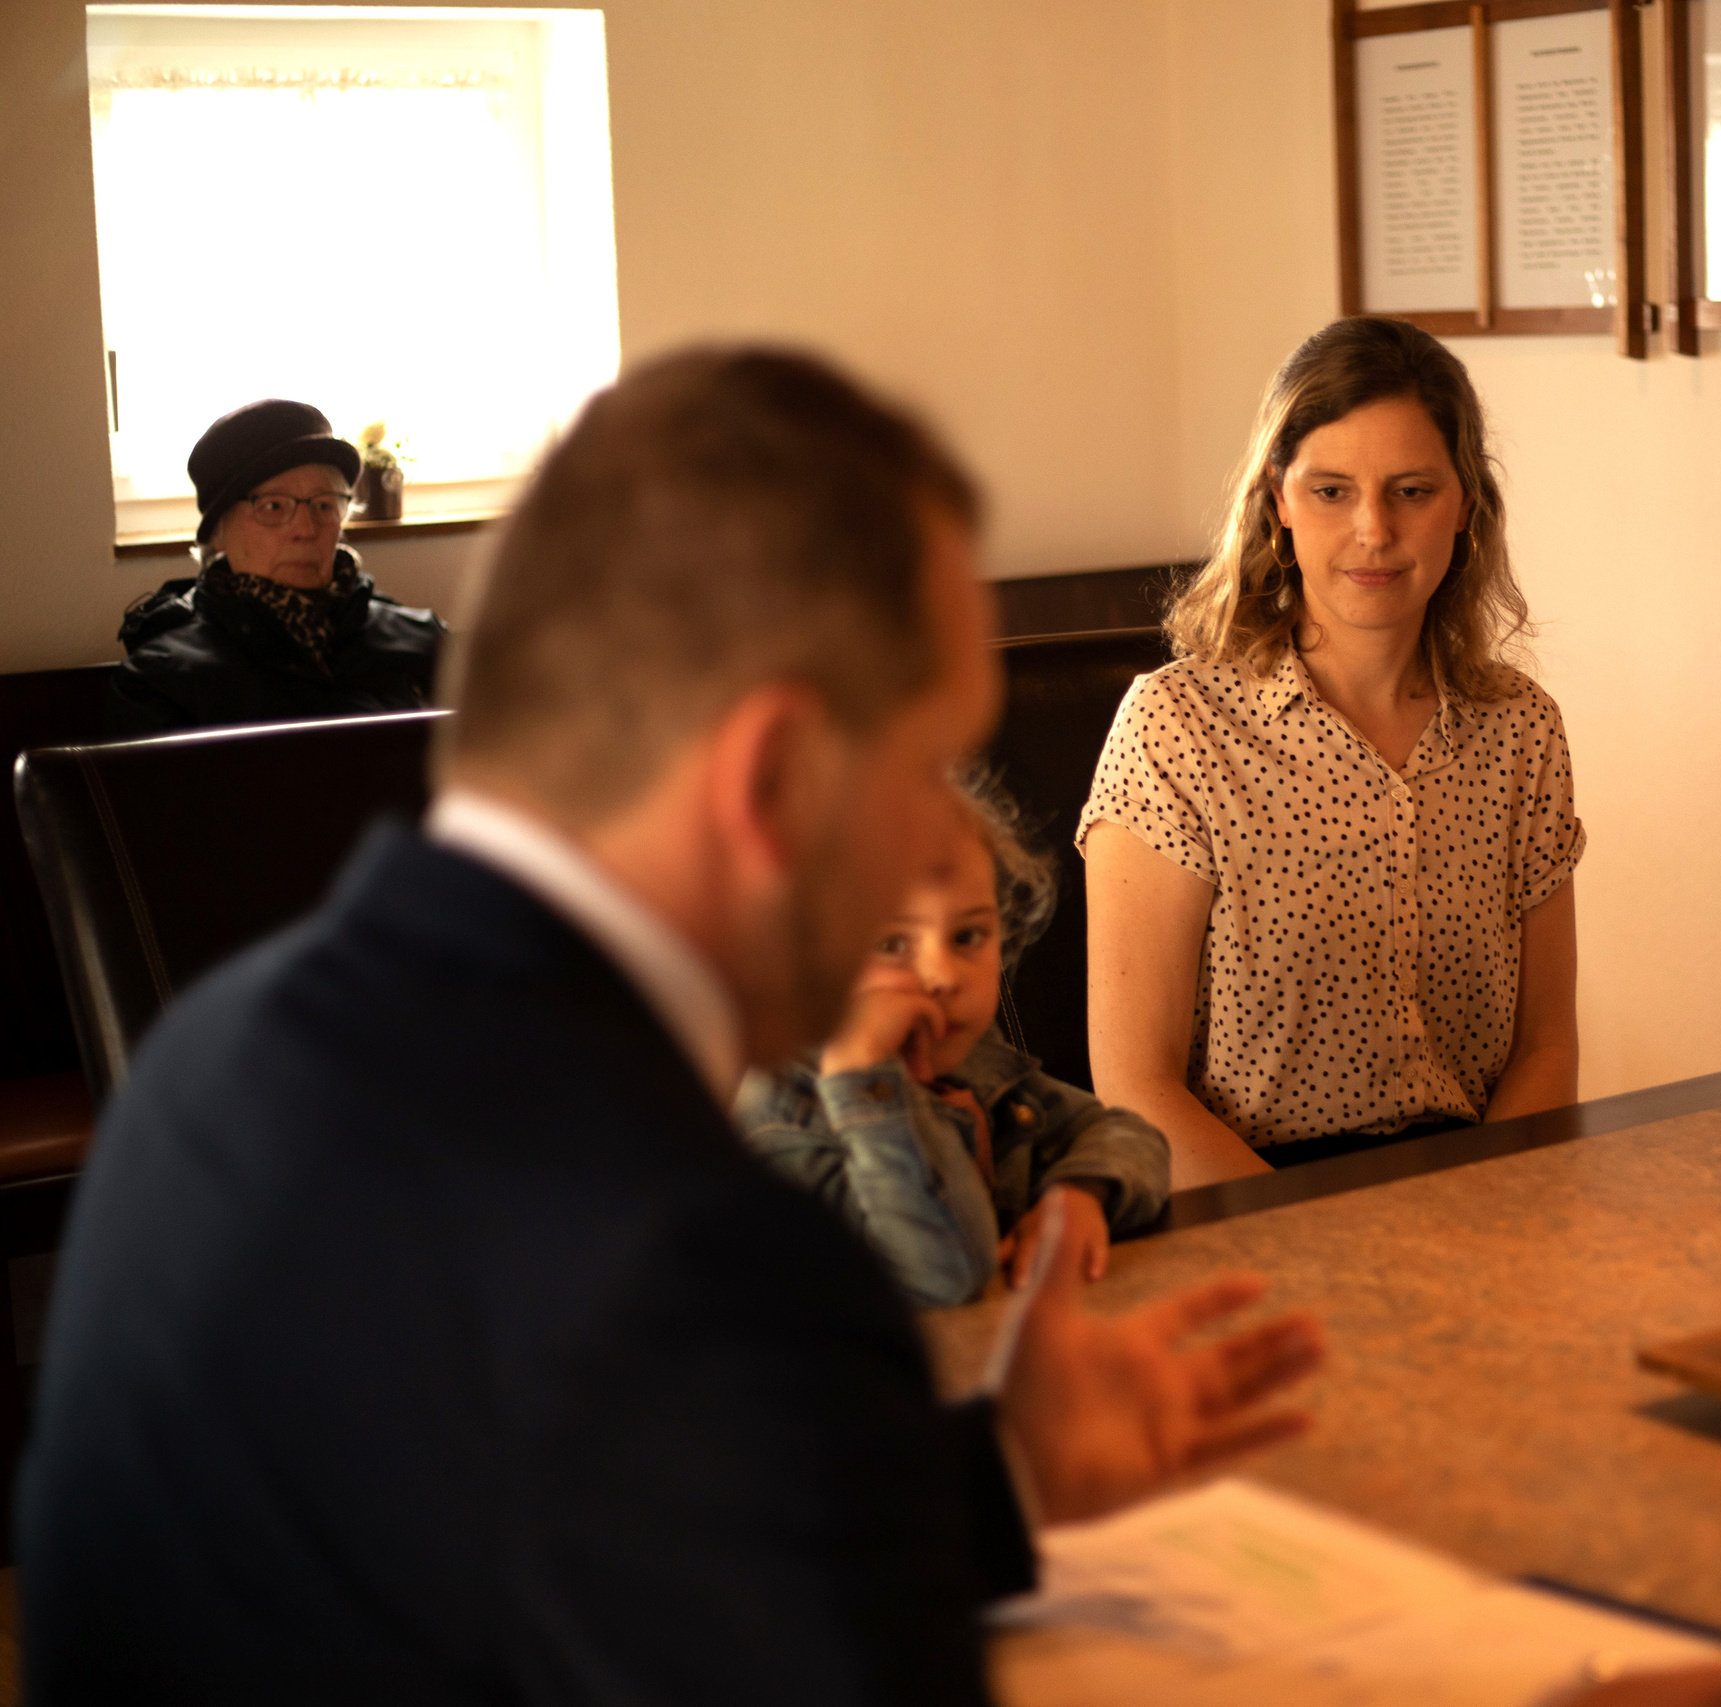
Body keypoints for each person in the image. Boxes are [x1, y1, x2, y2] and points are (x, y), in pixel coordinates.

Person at [17, 349, 1329, 1703]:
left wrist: (997, 1478)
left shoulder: (216, 1048)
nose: (947, 846)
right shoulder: (702, 1249)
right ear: (771, 777)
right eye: (920, 768)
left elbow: (608, 1530)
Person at [1081, 317, 1586, 1187]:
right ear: (1278, 498)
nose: (1373, 531)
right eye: (1331, 490)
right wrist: (1328, 1251)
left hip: (1473, 1204)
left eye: (1412, 490)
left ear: (1465, 503)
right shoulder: (1177, 728)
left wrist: (1488, 1220)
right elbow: (1137, 1086)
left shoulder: (1520, 730)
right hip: (1247, 1214)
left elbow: (1546, 1045)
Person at [738, 768, 1171, 1308]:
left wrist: (1079, 1193)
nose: (942, 973)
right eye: (892, 943)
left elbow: (1130, 1136)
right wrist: (866, 1080)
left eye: (968, 936)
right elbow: (944, 1273)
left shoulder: (979, 1065)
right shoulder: (784, 1117)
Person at [108, 397, 444, 735]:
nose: (306, 529)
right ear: (217, 532)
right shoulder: (163, 680)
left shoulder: (426, 641)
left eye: (324, 505)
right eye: (273, 506)